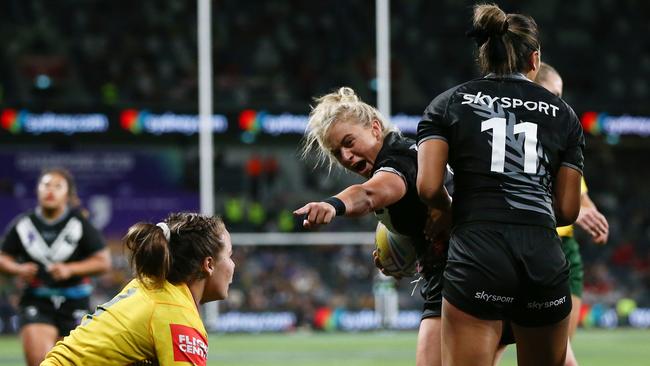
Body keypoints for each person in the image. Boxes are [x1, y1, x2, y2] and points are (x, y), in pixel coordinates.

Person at [416, 4, 585, 366]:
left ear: (485, 55)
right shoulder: (564, 115)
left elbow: (428, 187)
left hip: (478, 250)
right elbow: (568, 210)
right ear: (534, 59)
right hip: (541, 252)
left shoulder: (448, 103)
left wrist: (449, 210)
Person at [293, 87, 510, 366]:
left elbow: (370, 193)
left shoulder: (397, 161)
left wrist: (333, 205)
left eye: (349, 142)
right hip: (485, 263)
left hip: (462, 275)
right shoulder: (412, 151)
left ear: (374, 128)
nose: (346, 156)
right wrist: (408, 255)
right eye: (337, 153)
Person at [41, 212, 235, 365]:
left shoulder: (150, 287)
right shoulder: (175, 313)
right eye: (229, 255)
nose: (233, 265)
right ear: (209, 264)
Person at [535, 62, 609, 366]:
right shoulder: (515, 137)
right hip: (532, 245)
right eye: (553, 93)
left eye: (561, 95)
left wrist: (592, 216)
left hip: (566, 252)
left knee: (557, 352)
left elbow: (581, 197)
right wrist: (570, 212)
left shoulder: (560, 141)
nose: (560, 102)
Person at [0, 168, 111, 366]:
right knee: (42, 363)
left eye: (58, 186)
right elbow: (3, 257)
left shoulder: (80, 225)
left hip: (75, 303)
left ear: (68, 195)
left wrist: (71, 269)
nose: (50, 190)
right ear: (38, 190)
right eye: (46, 185)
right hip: (37, 300)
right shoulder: (24, 224)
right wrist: (18, 269)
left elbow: (103, 262)